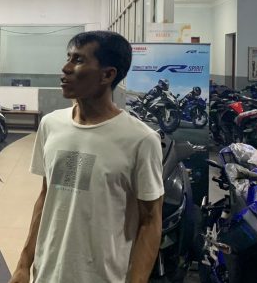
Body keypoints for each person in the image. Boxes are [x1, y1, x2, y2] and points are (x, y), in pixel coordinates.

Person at [10, 31, 164, 283]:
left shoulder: (140, 140)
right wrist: (23, 264)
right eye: (68, 58)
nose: (66, 68)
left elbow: (150, 221)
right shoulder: (52, 125)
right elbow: (47, 196)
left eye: (79, 60)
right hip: (48, 273)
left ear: (107, 75)